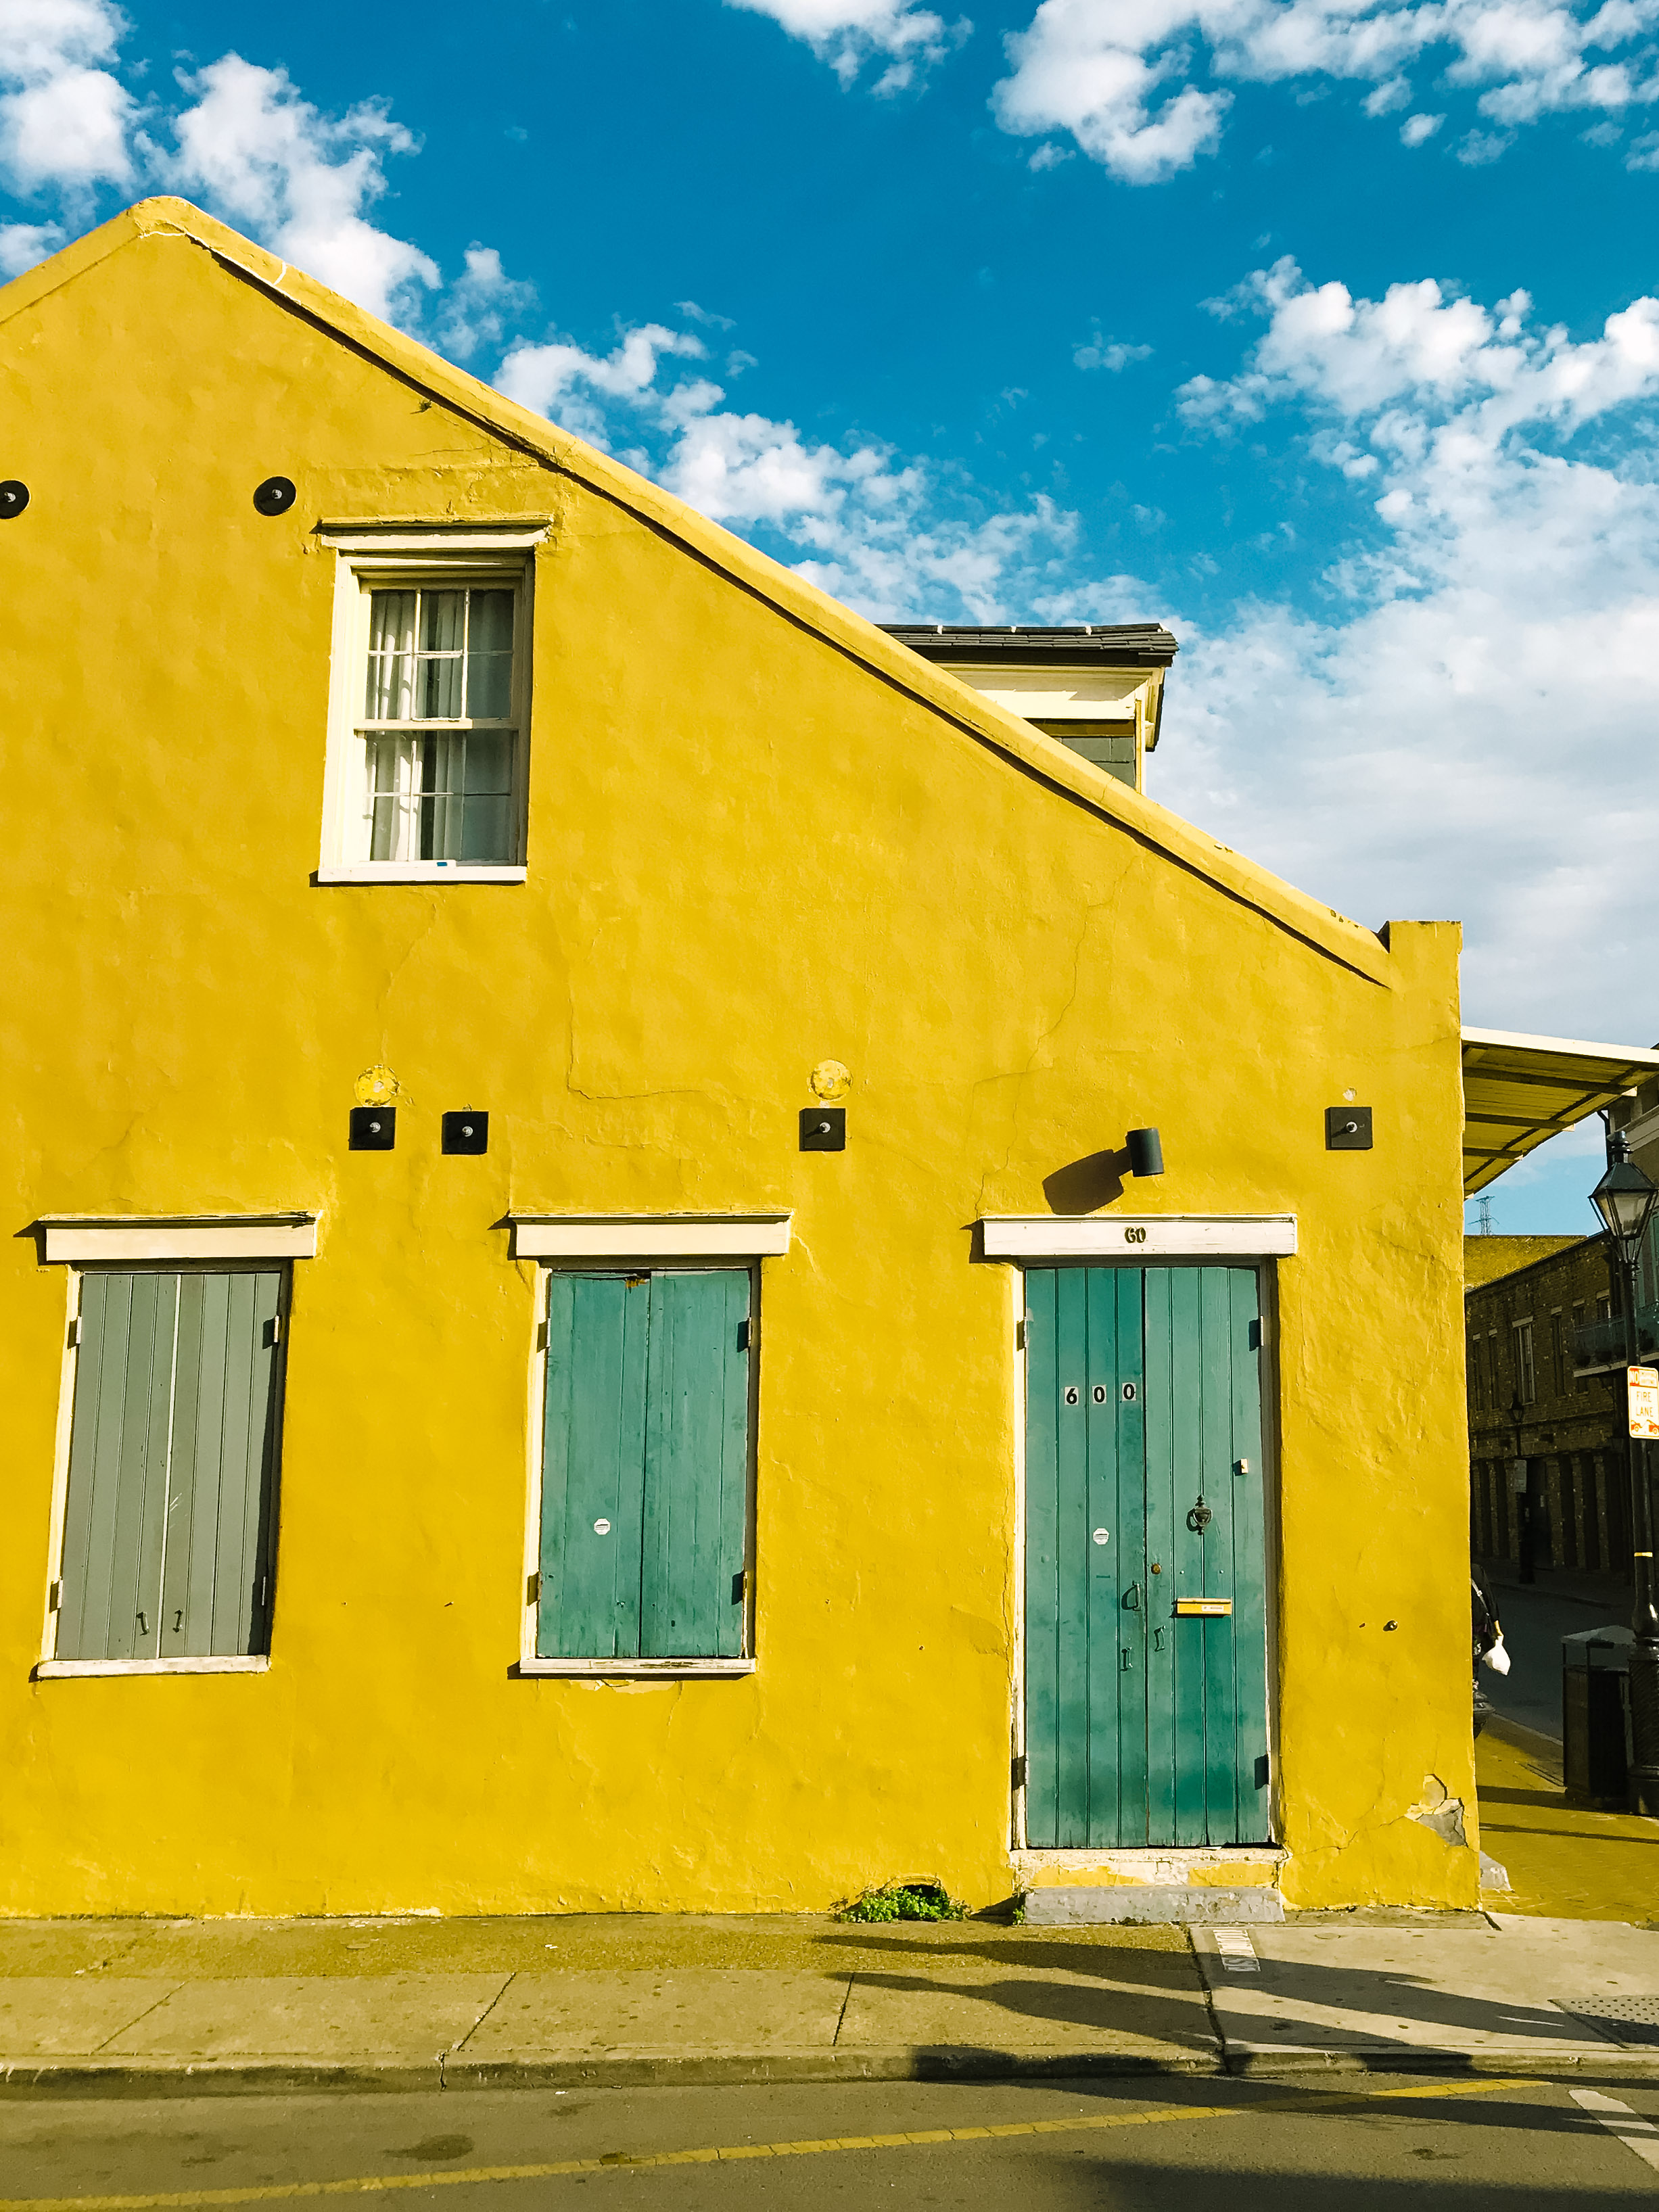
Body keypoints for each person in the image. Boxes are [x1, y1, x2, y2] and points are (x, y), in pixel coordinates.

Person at [1472, 1563, 1503, 1736]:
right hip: (1478, 1627)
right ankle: (1473, 1687)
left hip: (1465, 1627)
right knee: (1474, 1659)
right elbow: (1489, 1599)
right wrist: (1497, 1627)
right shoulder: (1476, 1570)